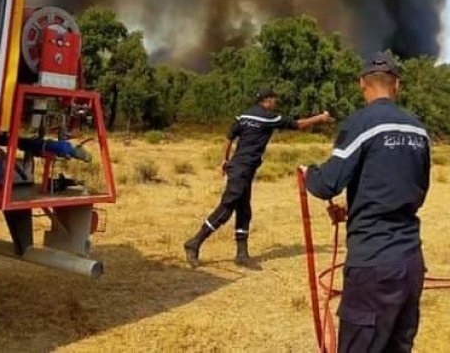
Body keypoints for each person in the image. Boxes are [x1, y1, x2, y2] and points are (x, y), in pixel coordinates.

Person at [299, 52, 431, 353]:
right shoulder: (418, 129)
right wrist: (356, 207)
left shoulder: (361, 123)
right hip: (411, 261)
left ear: (362, 84)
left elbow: (327, 183)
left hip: (373, 264)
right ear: (397, 85)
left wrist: (309, 174)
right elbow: (417, 191)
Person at [183, 88, 332, 269]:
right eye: (274, 100)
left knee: (244, 209)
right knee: (226, 208)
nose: (275, 103)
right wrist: (320, 118)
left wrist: (225, 159)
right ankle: (194, 242)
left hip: (239, 167)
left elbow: (229, 137)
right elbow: (298, 124)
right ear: (268, 100)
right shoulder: (268, 118)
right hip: (242, 170)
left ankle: (242, 254)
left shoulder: (243, 117)